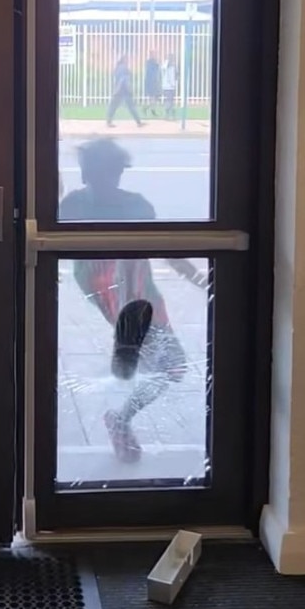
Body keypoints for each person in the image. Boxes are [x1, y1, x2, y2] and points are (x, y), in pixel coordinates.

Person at [59, 138, 204, 464]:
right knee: (166, 357)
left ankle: (126, 372)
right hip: (111, 283)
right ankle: (129, 340)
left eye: (111, 172)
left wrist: (199, 280)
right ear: (87, 174)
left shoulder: (134, 205)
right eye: (100, 172)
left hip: (139, 288)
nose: (106, 180)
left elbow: (166, 248)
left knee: (173, 366)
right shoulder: (75, 205)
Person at [107, 53, 143, 128]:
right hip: (123, 90)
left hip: (120, 90)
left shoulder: (118, 68)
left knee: (113, 106)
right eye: (127, 59)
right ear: (124, 60)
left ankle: (109, 121)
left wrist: (117, 89)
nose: (128, 61)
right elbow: (123, 80)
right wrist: (127, 88)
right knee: (131, 107)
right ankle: (138, 122)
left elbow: (119, 79)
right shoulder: (124, 68)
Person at [143, 51, 162, 117]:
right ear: (151, 55)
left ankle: (147, 108)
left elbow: (157, 71)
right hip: (150, 82)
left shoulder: (155, 62)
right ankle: (151, 110)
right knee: (153, 97)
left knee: (156, 97)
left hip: (154, 82)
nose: (155, 55)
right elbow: (150, 72)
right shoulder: (149, 63)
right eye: (154, 54)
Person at [162, 54, 178, 118]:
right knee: (168, 100)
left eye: (172, 58)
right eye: (170, 58)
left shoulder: (174, 66)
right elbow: (163, 68)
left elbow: (176, 75)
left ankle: (170, 113)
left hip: (172, 86)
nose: (172, 59)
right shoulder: (165, 65)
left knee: (171, 100)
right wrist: (167, 61)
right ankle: (168, 113)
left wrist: (175, 83)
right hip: (166, 86)